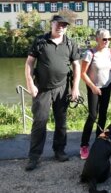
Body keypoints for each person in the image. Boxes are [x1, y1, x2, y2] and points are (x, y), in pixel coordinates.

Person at [24, 15, 81, 171]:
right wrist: (30, 83)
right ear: (52, 24)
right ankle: (34, 157)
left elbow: (76, 66)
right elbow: (29, 62)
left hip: (62, 89)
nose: (61, 27)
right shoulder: (40, 41)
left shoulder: (70, 43)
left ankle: (59, 151)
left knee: (61, 123)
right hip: (42, 89)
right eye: (58, 24)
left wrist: (75, 87)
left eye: (64, 25)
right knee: (39, 123)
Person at [79, 29, 111, 160]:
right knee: (92, 115)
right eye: (104, 39)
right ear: (97, 39)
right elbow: (83, 74)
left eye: (109, 39)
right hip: (93, 87)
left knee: (103, 114)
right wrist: (93, 87)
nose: (107, 42)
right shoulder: (90, 53)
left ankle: (98, 141)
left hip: (107, 86)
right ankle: (84, 145)